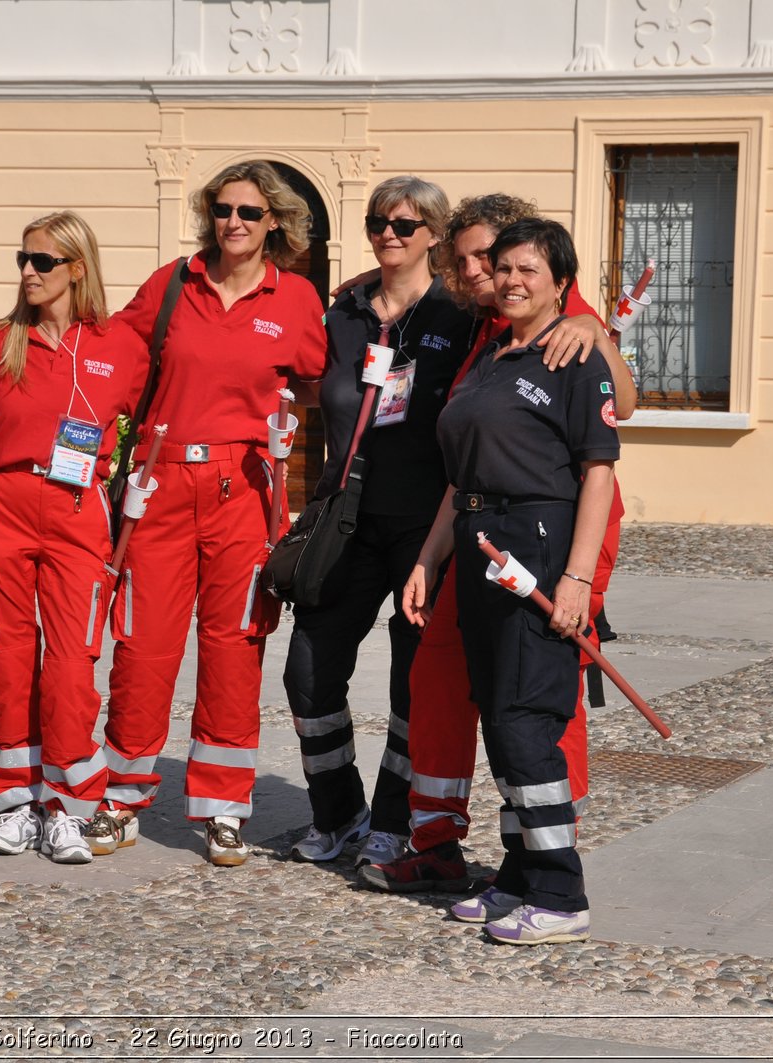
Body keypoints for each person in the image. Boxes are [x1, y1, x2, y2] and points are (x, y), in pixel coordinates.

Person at [359, 194, 636, 896]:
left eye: (495, 258)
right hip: (480, 532)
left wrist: (591, 328)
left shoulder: (566, 321)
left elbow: (619, 411)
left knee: (538, 695)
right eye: (470, 261)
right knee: (446, 677)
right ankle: (443, 839)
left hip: (557, 529)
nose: (483, 272)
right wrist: (433, 552)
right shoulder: (490, 332)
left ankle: (545, 857)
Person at [98, 160, 327, 866]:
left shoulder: (295, 301)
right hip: (160, 481)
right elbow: (112, 360)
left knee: (235, 646)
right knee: (143, 643)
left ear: (276, 224)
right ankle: (121, 795)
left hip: (243, 488)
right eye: (224, 209)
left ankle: (223, 807)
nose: (234, 222)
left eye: (250, 213)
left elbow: (320, 389)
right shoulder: (172, 284)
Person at [281, 176, 476, 868]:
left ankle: (396, 817)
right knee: (307, 669)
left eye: (404, 223)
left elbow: (538, 296)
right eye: (377, 222)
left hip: (427, 524)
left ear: (434, 235)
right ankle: (338, 812)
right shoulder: (344, 314)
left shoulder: (461, 316)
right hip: (345, 516)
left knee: (414, 679)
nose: (388, 234)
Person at [0, 211, 148, 864]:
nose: (28, 272)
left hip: (77, 513)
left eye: (42, 261)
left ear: (77, 268)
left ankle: (67, 804)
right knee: (9, 665)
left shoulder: (120, 347)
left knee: (70, 669)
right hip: (0, 509)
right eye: (23, 260)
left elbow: (147, 428)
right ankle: (14, 805)